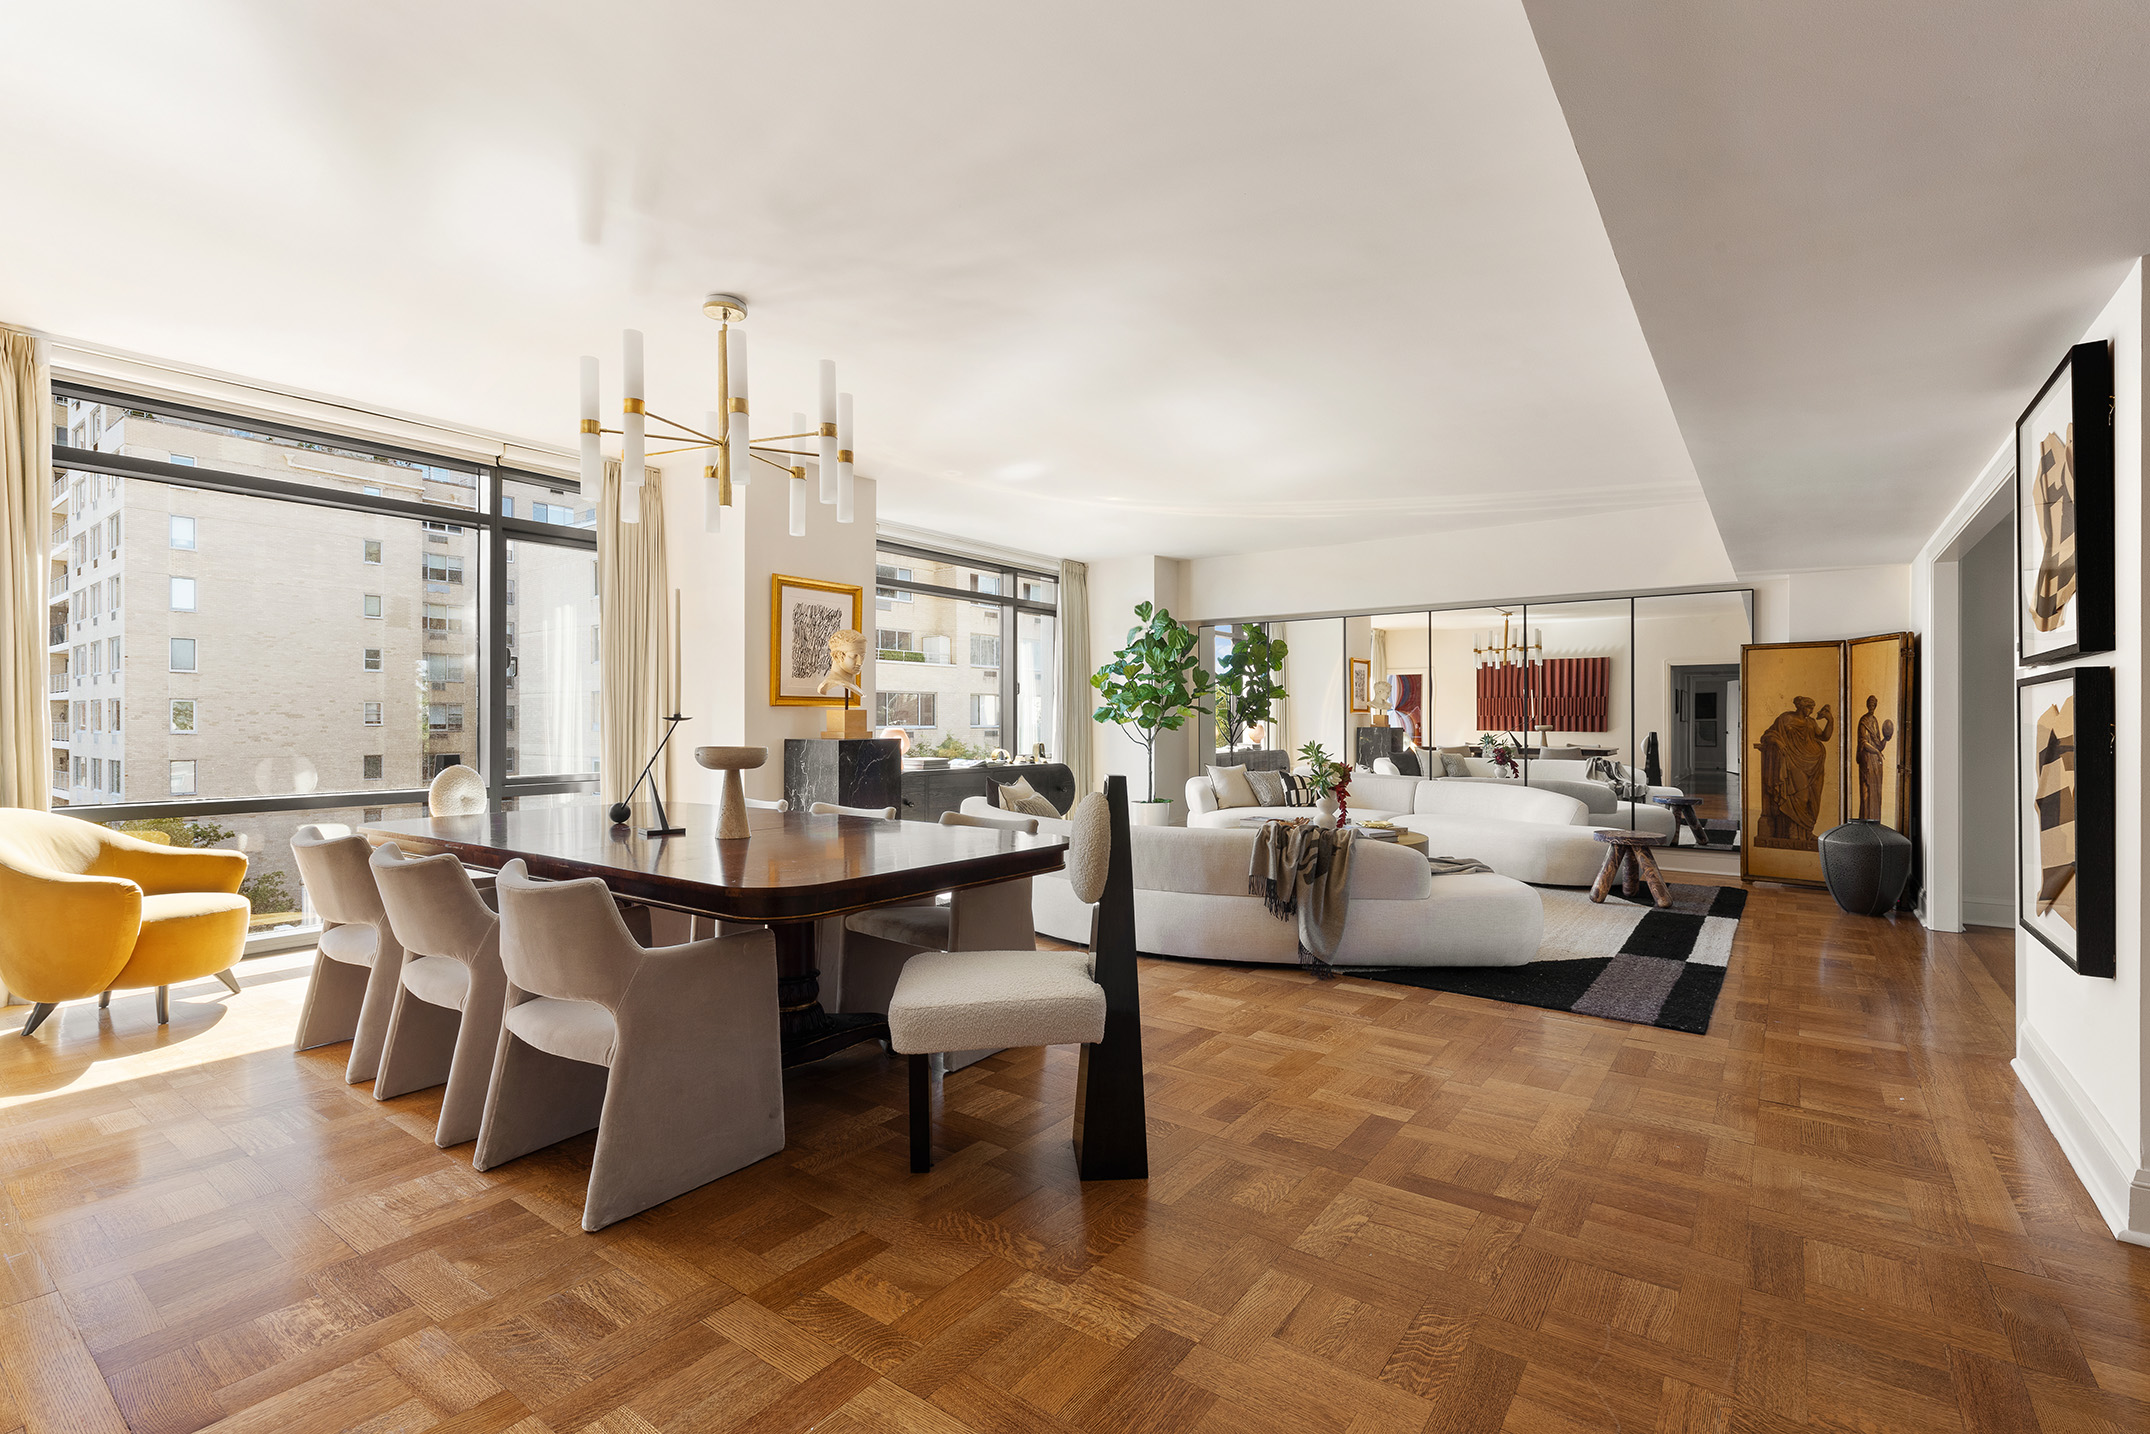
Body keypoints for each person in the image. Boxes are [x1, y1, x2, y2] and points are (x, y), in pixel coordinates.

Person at [1757, 696, 1834, 844]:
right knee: (1800, 796)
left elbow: (1824, 736)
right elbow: (1767, 735)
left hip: (1813, 764)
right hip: (1792, 761)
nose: (1810, 711)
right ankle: (1792, 831)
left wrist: (1830, 720)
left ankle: (1806, 832)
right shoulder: (1785, 718)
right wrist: (1778, 741)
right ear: (1799, 706)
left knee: (1812, 799)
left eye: (1812, 708)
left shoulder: (1811, 722)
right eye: (1808, 707)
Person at [1856, 694, 1894, 820]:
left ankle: (1875, 822)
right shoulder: (1864, 721)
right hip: (1867, 760)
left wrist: (1886, 739)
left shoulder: (1875, 721)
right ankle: (1865, 822)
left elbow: (1878, 745)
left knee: (1876, 793)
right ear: (1867, 705)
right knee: (1866, 794)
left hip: (1876, 764)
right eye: (1870, 704)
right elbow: (1864, 743)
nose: (1872, 707)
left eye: (1874, 705)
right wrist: (1877, 752)